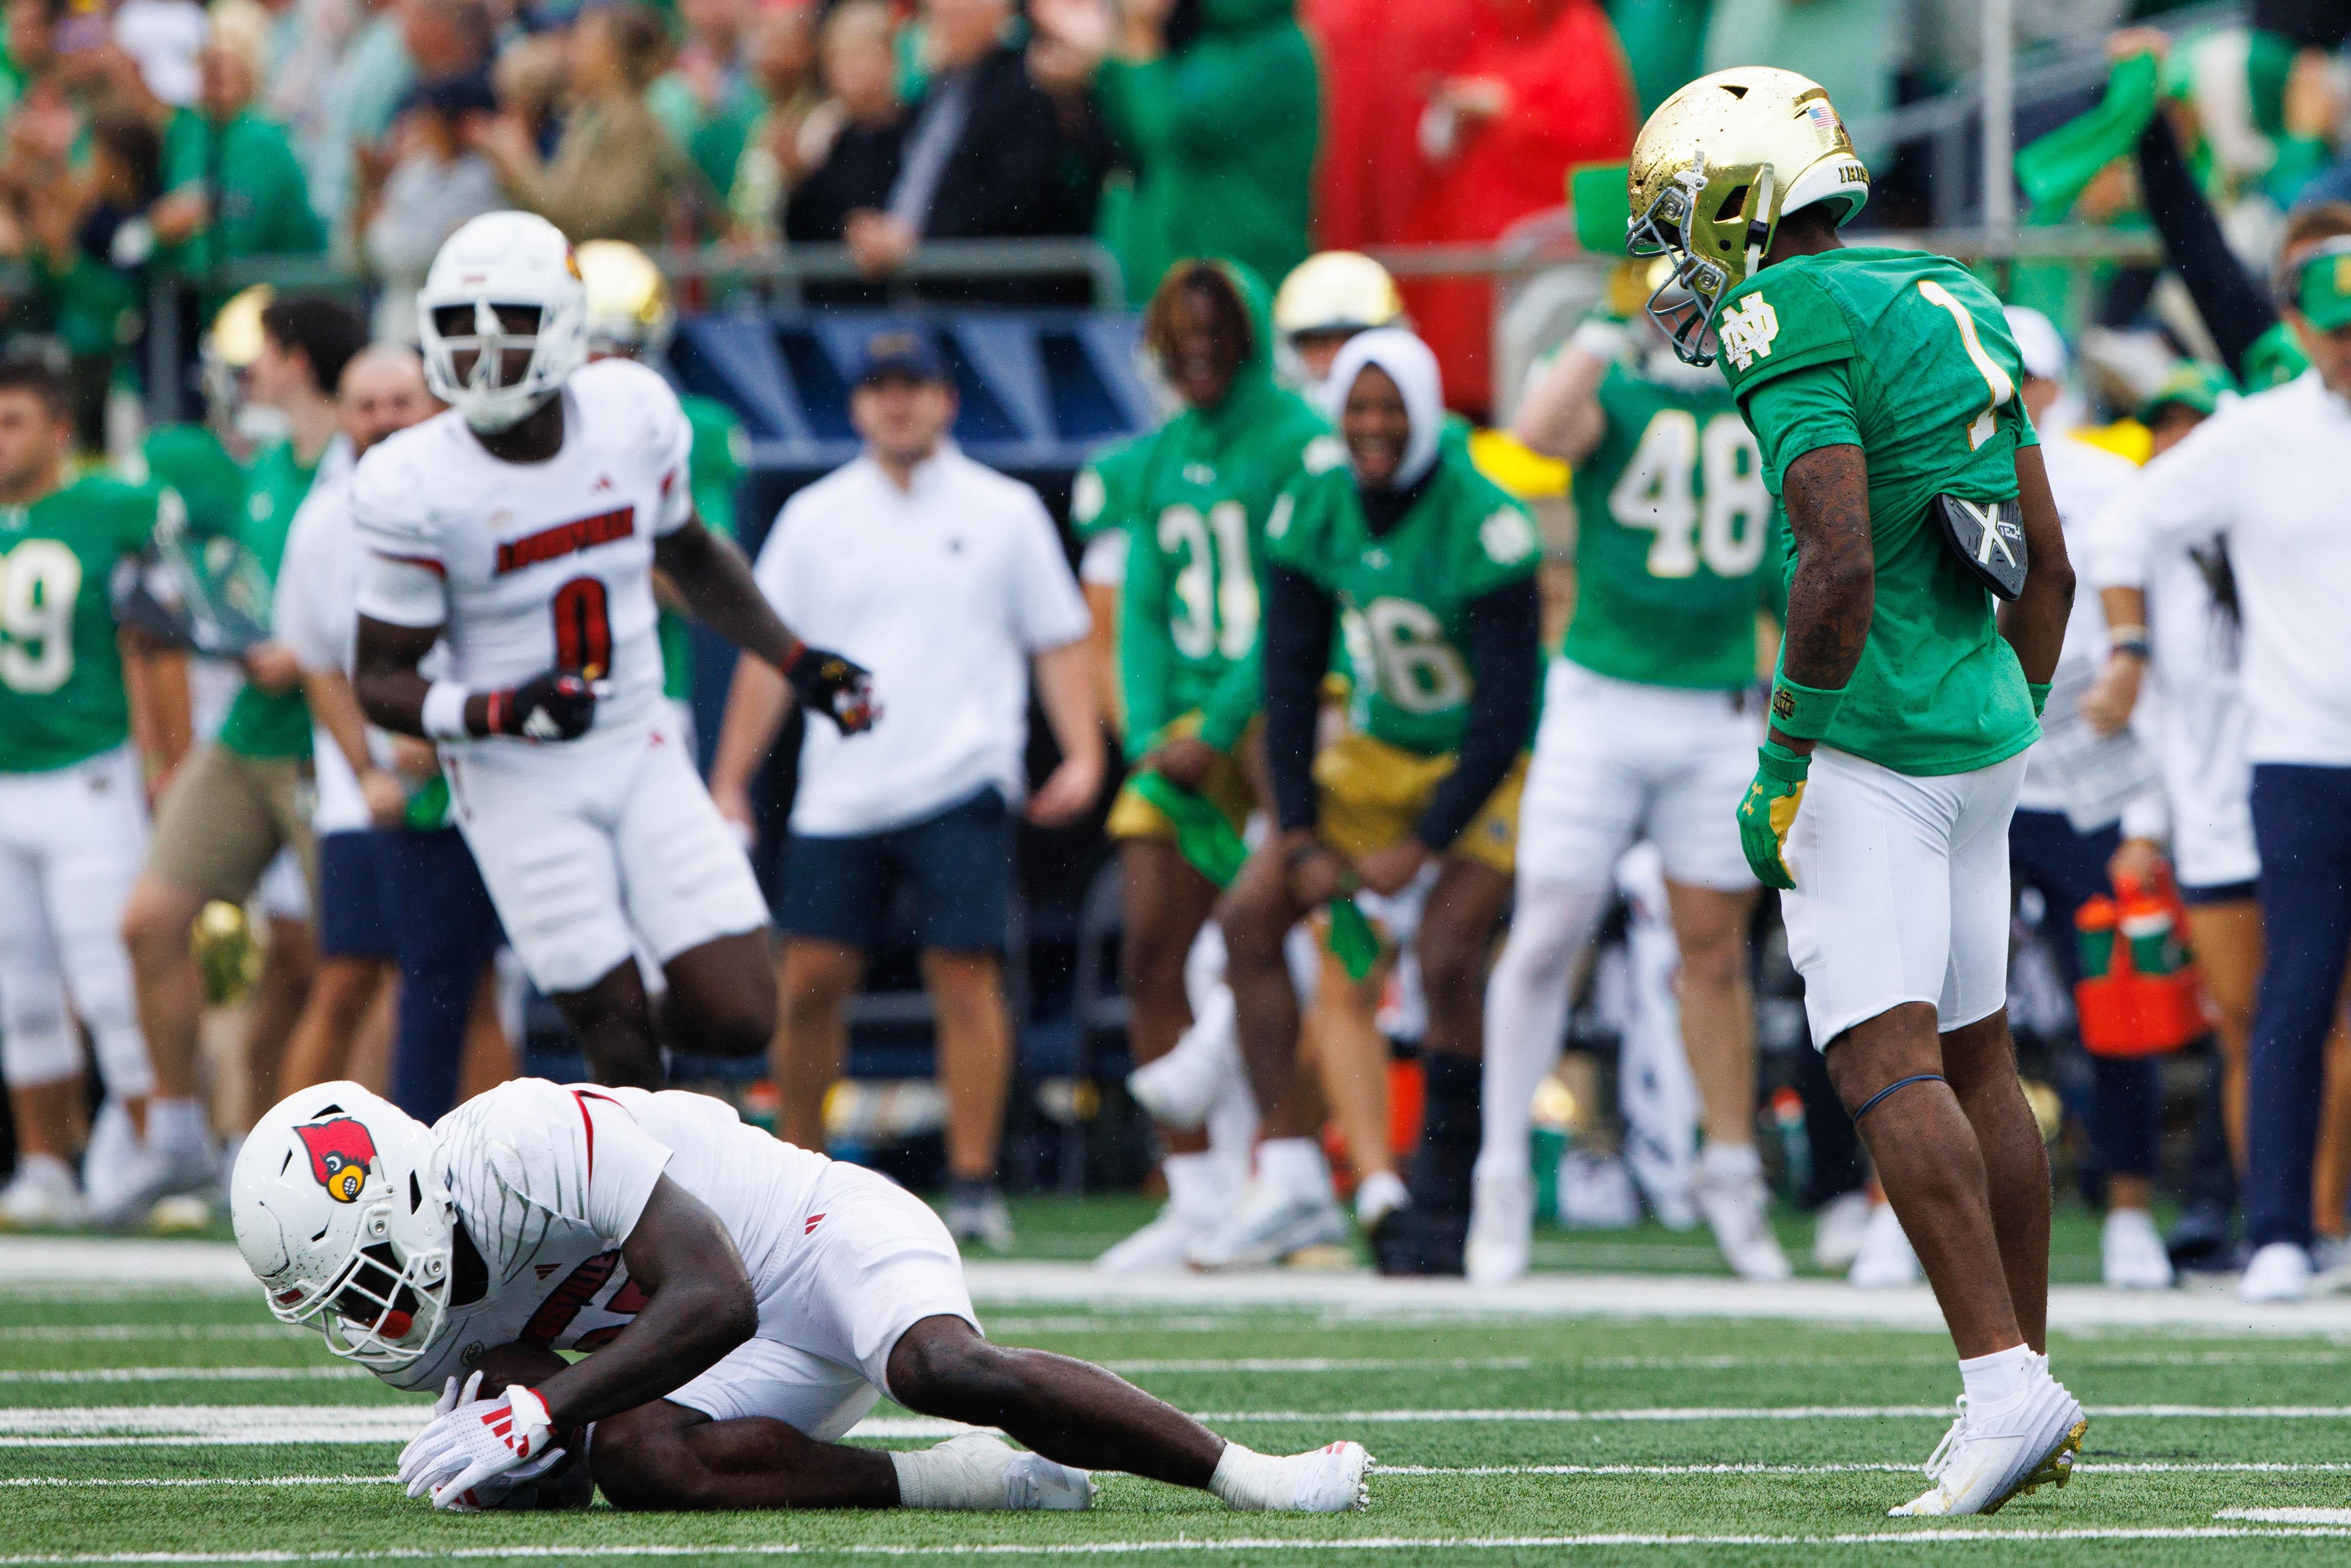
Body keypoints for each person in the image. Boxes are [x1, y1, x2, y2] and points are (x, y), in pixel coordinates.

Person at [1632, 67, 2086, 1513]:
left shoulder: (1782, 312)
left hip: (1871, 736)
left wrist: (1781, 757)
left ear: (1739, 199)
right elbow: (2046, 557)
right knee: (1973, 1052)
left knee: (1874, 1055)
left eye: (1678, 213)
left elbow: (1835, 559)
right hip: (1981, 719)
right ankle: (2024, 1375)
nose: (1669, 251)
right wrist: (2002, 702)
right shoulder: (1947, 286)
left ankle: (2001, 1385)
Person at [230, 1076, 1373, 1514]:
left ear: (410, 1200)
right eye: (340, 1305)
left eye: (370, 1282)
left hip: (810, 1240)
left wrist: (539, 1412)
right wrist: (527, 1459)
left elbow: (715, 1293)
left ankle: (1245, 1473)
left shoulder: (519, 1143)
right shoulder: (424, 1314)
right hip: (721, 1352)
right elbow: (560, 1462)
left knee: (941, 1368)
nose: (373, 1321)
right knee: (633, 1460)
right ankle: (965, 1485)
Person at [349, 211, 875, 1094]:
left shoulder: (630, 414)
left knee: (743, 1012)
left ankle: (618, 1075)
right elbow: (381, 679)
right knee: (618, 1039)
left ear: (562, 323)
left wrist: (798, 661)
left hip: (637, 739)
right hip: (517, 771)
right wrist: (502, 708)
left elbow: (694, 557)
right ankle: (627, 1208)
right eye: (458, 327)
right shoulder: (415, 480)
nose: (481, 351)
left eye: (508, 323)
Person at [708, 328, 1102, 1252]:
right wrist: (729, 775)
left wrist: (1080, 753)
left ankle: (972, 1183)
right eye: (880, 387)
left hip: (961, 775)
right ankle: (794, 1184)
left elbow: (1057, 637)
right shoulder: (815, 516)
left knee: (966, 975)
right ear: (855, 405)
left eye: (913, 386)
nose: (897, 403)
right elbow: (774, 658)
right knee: (808, 980)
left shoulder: (1002, 511)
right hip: (840, 789)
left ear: (945, 400)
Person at [1470, 259, 1790, 1287]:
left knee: (1713, 952)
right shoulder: (1610, 376)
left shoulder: (1765, 385)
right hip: (1601, 694)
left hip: (1715, 700)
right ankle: (1500, 1178)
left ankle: (1731, 1180)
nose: (1687, 318)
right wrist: (1613, 323)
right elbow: (1531, 436)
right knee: (1546, 931)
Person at [1210, 327, 1542, 1276]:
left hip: (1486, 763)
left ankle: (1445, 1191)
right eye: (1357, 406)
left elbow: (1502, 712)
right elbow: (1286, 681)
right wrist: (1301, 833)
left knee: (1443, 952)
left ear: (1428, 409)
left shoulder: (1483, 516)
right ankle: (1307, 1173)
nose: (1371, 426)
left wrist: (1426, 842)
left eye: (1390, 406)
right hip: (1377, 748)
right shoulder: (1314, 507)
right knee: (1249, 918)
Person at [2072, 236, 2351, 1303]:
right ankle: (2277, 1230)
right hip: (2294, 753)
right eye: (2332, 332)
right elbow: (2123, 533)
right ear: (2293, 328)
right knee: (2289, 993)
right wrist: (2130, 649)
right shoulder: (2252, 437)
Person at [1074, 259, 1333, 1271]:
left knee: (1266, 943)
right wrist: (1145, 730)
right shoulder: (1159, 453)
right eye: (1177, 342)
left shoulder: (1297, 442)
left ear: (1247, 338)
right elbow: (1137, 603)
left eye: (1211, 338)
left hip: (1284, 713)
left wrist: (1217, 725)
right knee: (1150, 940)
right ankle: (1193, 1193)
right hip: (1181, 720)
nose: (1194, 356)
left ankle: (1290, 1171)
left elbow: (1295, 610)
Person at [114, 293, 368, 1229]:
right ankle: (180, 1138)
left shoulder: (355, 465)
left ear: (296, 360)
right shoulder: (268, 462)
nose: (248, 374)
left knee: (349, 959)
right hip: (251, 730)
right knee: (150, 920)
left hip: (328, 740)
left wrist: (300, 651)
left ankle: (355, 1166)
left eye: (263, 355)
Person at [271, 344, 509, 1124]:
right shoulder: (324, 520)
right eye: (366, 405)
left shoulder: (479, 499)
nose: (383, 420)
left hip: (479, 773)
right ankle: (299, 1157)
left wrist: (452, 725)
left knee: (469, 980)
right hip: (375, 787)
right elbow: (317, 661)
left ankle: (507, 1158)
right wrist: (371, 761)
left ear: (434, 405)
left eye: (399, 402)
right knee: (352, 976)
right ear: (341, 414)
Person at [1989, 308, 2169, 1293]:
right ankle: (1900, 1209)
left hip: (2086, 777)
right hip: (1971, 764)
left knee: (2117, 998)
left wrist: (2147, 810)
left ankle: (2131, 1205)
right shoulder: (1919, 463)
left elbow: (2150, 649)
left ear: (2052, 387)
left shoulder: (2111, 486)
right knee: (1929, 993)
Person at [0, 357, 175, 1226]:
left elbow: (165, 622)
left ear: (62, 431)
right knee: (20, 990)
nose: (2, 443)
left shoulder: (114, 508)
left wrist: (165, 754)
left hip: (89, 771)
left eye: (15, 422)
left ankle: (146, 1159)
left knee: (109, 980)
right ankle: (44, 1167)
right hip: (4, 779)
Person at [573, 239, 745, 751]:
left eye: (616, 352)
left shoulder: (692, 428)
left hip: (644, 694)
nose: (599, 371)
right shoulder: (512, 431)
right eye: (586, 350)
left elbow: (700, 584)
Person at [1029, 0, 1319, 301]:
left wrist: (1137, 33)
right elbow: (1128, 139)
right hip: (1181, 276)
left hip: (1240, 283)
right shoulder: (1213, 43)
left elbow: (1161, 132)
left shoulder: (1280, 51)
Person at [464, 5, 702, 247]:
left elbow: (589, 222)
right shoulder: (588, 115)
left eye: (584, 43)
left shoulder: (632, 126)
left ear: (611, 56)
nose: (572, 55)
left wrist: (518, 164)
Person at [1271, 249, 1408, 411]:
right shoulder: (1268, 432)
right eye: (1321, 343)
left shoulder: (1438, 433)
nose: (1340, 357)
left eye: (1356, 340)